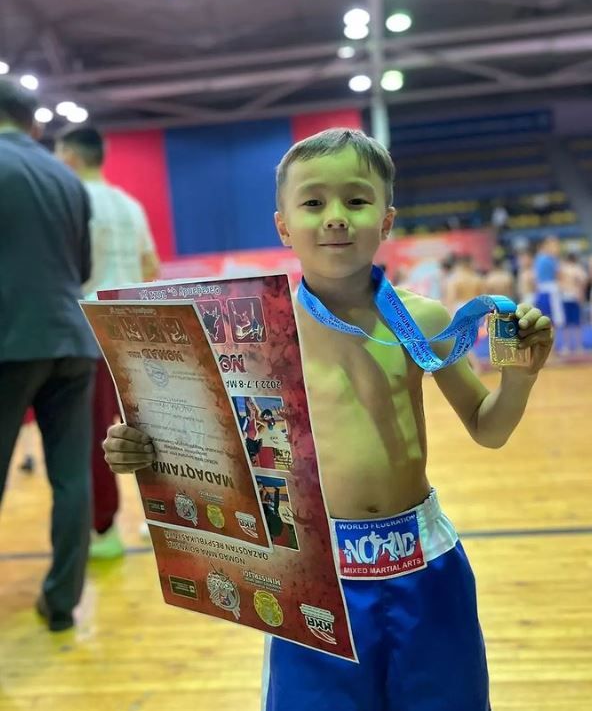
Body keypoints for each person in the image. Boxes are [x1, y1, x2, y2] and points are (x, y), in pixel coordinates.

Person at [101, 129, 553, 710]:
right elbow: (211, 450)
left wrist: (520, 378)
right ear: (283, 226)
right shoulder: (253, 336)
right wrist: (141, 449)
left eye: (356, 200)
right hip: (315, 578)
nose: (336, 216)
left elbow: (489, 429)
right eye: (313, 202)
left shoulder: (422, 317)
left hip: (425, 563)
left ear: (386, 221)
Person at [0, 79, 99, 631]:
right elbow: (81, 269)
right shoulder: (66, 176)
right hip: (72, 339)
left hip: (9, 339)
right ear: (33, 123)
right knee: (71, 476)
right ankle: (61, 603)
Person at [55, 126, 160, 559]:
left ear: (70, 156)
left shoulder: (70, 200)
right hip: (135, 331)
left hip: (90, 331)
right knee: (152, 433)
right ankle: (166, 519)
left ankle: (104, 530)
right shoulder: (130, 204)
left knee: (98, 436)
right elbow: (151, 266)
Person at [558, 253, 588, 356]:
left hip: (566, 296)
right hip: (574, 296)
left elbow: (559, 283)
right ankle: (579, 346)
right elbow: (584, 281)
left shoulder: (563, 268)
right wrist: (581, 293)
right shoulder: (577, 269)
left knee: (567, 323)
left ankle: (566, 346)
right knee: (576, 323)